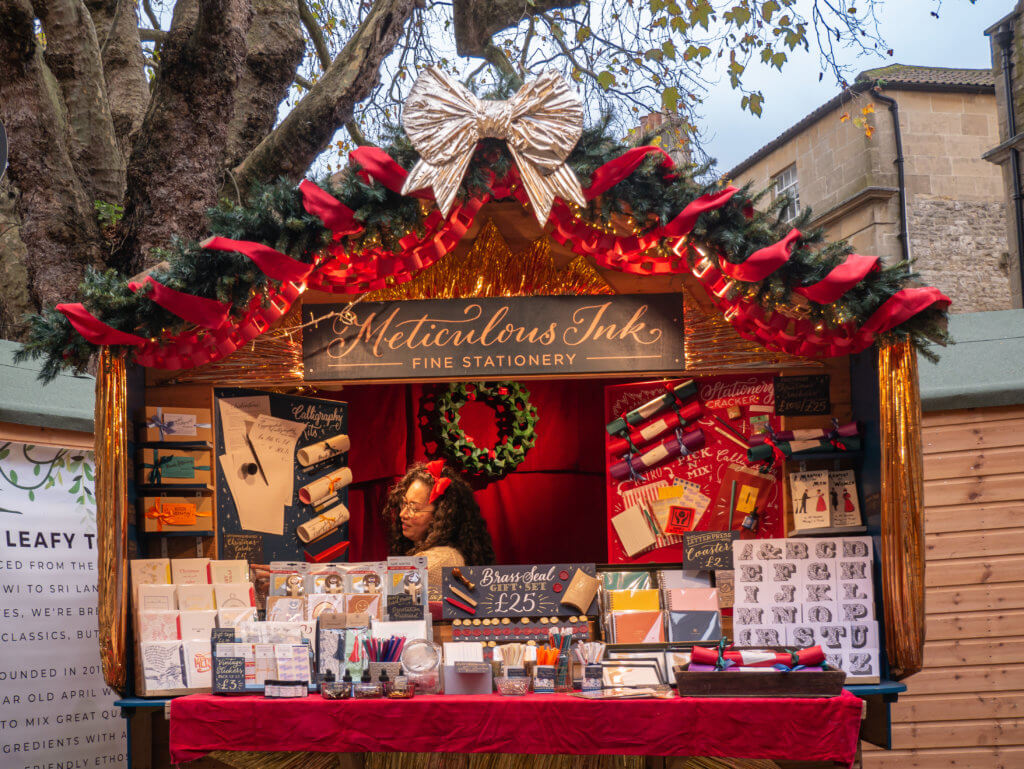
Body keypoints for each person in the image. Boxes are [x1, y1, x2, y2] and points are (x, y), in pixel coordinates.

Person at [384, 459, 495, 600]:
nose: (402, 514)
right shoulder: (444, 552)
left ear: (440, 515)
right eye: (404, 503)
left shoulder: (434, 563)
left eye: (414, 508)